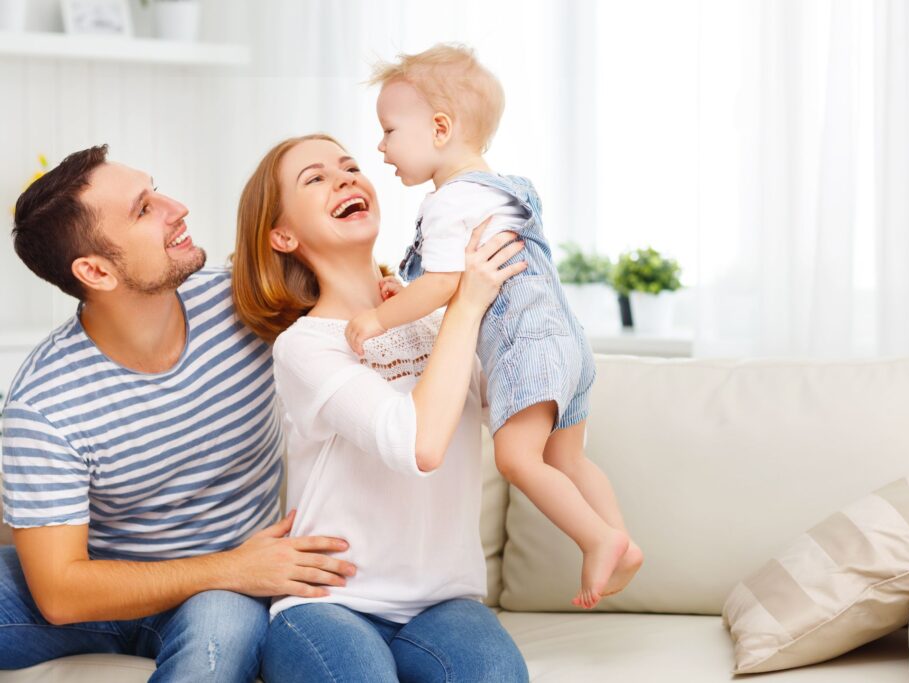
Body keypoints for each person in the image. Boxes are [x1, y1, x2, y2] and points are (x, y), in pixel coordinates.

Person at [0, 145, 358, 681]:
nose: (178, 207)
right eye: (144, 209)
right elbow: (60, 592)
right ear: (95, 270)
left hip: (220, 595)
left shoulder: (247, 306)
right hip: (116, 585)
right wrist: (237, 565)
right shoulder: (42, 404)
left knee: (220, 638)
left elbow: (356, 295)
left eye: (156, 189)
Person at [344, 43, 643, 609]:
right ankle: (621, 538)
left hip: (526, 349)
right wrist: (408, 294)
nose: (380, 147)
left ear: (438, 128)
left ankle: (599, 538)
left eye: (388, 131)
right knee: (568, 459)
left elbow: (445, 287)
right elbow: (468, 284)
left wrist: (379, 316)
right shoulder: (501, 188)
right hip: (567, 344)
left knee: (516, 458)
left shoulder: (448, 202)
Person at [231, 133, 530, 683]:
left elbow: (523, 407)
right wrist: (464, 301)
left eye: (349, 167)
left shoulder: (439, 318)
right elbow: (417, 444)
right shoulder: (305, 345)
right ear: (283, 234)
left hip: (443, 603)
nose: (345, 178)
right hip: (329, 603)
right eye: (315, 178)